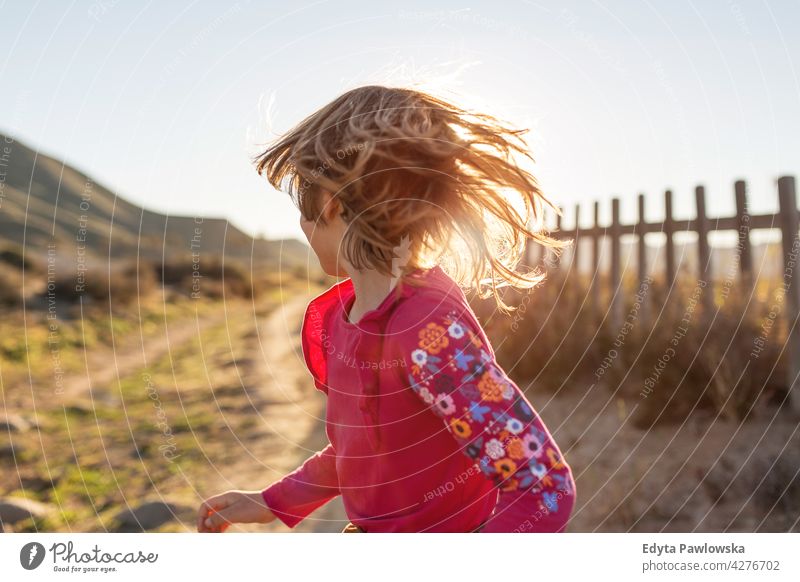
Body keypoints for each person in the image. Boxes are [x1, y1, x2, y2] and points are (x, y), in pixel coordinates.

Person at [197, 85, 576, 533]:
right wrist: (270, 501)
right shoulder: (343, 322)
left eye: (303, 205)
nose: (300, 225)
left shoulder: (429, 330)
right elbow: (360, 453)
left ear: (330, 202)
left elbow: (544, 486)